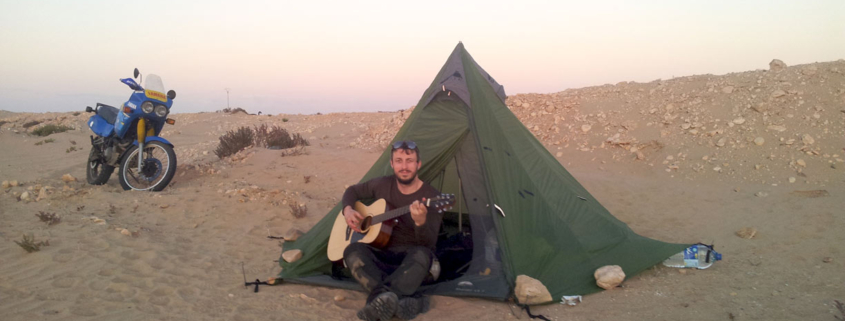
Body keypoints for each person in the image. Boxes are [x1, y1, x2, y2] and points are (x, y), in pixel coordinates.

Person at [342, 140, 442, 321]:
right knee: (351, 251)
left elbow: (429, 245)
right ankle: (408, 299)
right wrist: (347, 210)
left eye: (409, 160)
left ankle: (380, 298)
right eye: (399, 161)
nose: (404, 166)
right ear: (392, 164)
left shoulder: (432, 197)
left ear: (418, 164)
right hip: (381, 257)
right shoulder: (381, 184)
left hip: (409, 262)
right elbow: (352, 191)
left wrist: (420, 223)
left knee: (422, 255)